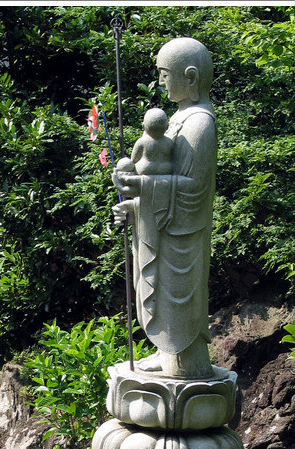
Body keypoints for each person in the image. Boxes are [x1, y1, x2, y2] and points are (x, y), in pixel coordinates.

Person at [112, 37, 217, 379]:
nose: (160, 82)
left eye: (164, 74)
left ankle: (186, 363)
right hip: (164, 225)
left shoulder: (200, 124)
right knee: (166, 302)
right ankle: (166, 352)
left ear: (190, 76)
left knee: (178, 301)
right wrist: (134, 203)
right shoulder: (176, 119)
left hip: (183, 233)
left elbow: (194, 189)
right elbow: (162, 173)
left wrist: (142, 186)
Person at [131, 107, 173, 176]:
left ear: (144, 126)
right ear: (167, 126)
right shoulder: (169, 142)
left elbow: (134, 159)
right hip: (165, 169)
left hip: (146, 168)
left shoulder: (142, 141)